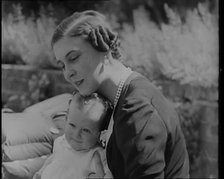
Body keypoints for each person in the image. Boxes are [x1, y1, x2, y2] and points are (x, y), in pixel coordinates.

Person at [51, 10, 190, 178]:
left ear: (103, 48)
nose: (67, 74)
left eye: (73, 58)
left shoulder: (137, 110)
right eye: (62, 65)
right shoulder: (110, 101)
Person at [33, 93, 112, 179]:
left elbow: (107, 175)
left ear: (100, 134)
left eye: (85, 130)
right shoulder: (61, 141)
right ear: (66, 119)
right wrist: (40, 173)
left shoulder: (96, 156)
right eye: (72, 125)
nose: (76, 134)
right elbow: (53, 160)